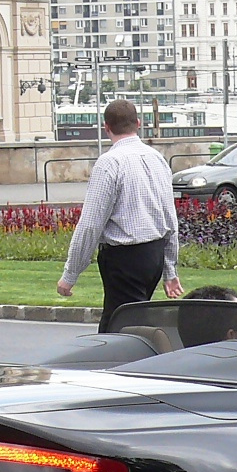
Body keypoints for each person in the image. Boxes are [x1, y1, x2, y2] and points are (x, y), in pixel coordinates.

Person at [57, 99, 185, 332]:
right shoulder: (157, 159)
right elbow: (170, 219)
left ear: (107, 128)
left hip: (125, 259)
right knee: (127, 321)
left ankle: (122, 366)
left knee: (120, 328)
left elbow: (90, 225)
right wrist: (169, 270)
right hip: (153, 256)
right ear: (138, 123)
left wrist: (70, 274)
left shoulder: (109, 163)